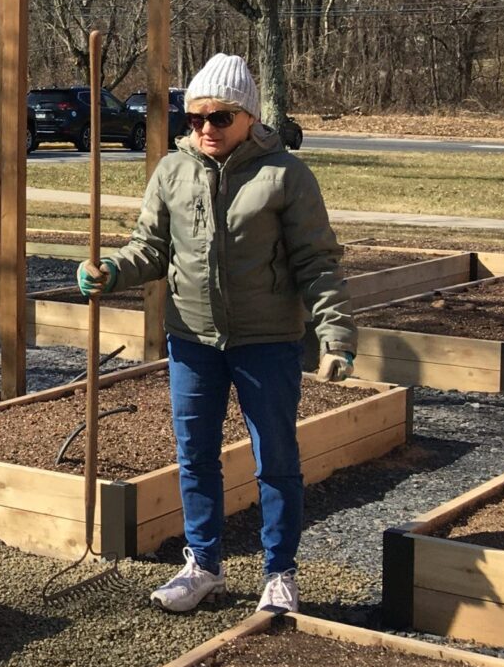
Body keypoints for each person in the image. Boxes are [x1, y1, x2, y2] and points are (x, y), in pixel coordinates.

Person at [79, 53, 354, 617]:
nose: (205, 128)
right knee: (194, 456)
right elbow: (151, 248)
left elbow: (318, 263)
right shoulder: (171, 171)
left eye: (220, 117)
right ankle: (202, 565)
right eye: (194, 117)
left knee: (275, 458)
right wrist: (111, 270)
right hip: (191, 341)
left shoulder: (286, 176)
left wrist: (336, 335)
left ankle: (280, 573)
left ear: (250, 116)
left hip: (267, 342)